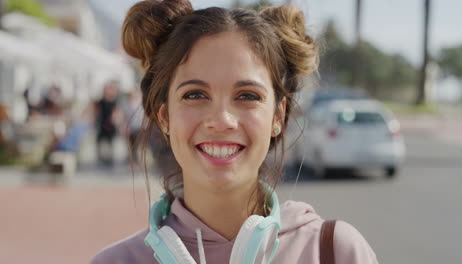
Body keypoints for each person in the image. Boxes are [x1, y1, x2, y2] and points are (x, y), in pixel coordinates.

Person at [91, 1, 378, 263]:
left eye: (247, 96)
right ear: (164, 116)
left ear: (278, 115)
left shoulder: (334, 251)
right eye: (195, 95)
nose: (222, 120)